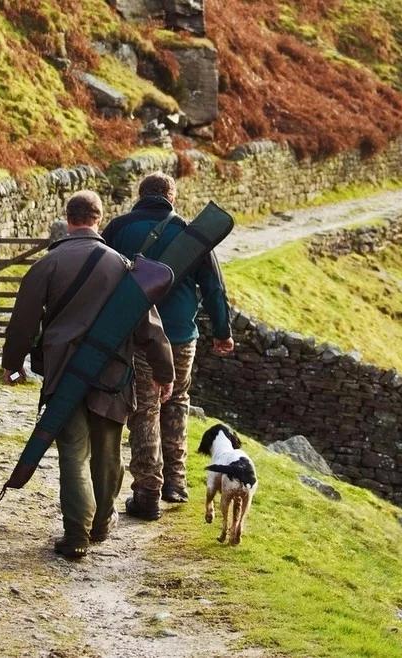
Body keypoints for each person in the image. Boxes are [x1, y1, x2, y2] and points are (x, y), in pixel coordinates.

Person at [2, 190, 175, 558]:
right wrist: (165, 372)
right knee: (107, 453)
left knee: (72, 453)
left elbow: (23, 322)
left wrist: (13, 363)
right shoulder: (124, 266)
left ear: (68, 219)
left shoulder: (47, 264)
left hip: (64, 372)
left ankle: (76, 534)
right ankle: (101, 523)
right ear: (99, 219)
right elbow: (150, 328)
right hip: (111, 374)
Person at [101, 172, 234, 521]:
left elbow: (100, 275)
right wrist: (222, 332)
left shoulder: (117, 229)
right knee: (177, 401)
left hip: (137, 332)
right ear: (171, 198)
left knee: (145, 407)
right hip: (180, 335)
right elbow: (214, 288)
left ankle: (148, 491)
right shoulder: (191, 234)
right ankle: (175, 482)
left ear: (140, 195)